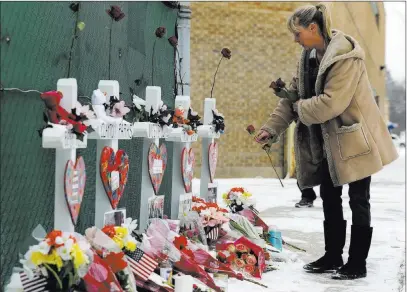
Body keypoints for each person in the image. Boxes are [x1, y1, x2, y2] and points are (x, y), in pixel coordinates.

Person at [255, 3, 398, 280]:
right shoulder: (308, 56)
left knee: (358, 199)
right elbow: (293, 97)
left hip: (356, 137)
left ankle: (357, 263)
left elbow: (330, 104)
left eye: (297, 33)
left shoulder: (345, 56)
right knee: (330, 197)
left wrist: (298, 108)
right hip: (328, 142)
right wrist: (270, 129)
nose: (294, 39)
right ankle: (333, 256)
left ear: (313, 28)